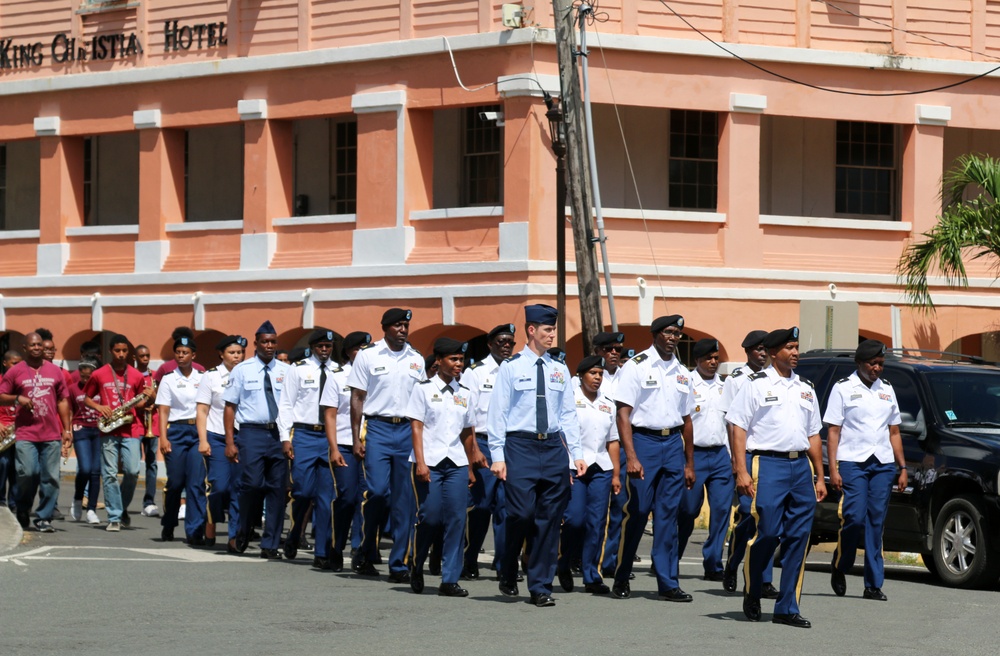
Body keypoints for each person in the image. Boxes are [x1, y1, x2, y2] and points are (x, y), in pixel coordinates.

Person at [727, 326, 826, 628]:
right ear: (772, 353)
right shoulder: (755, 385)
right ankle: (753, 586)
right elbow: (737, 427)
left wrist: (820, 476)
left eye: (797, 347)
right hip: (768, 465)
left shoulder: (806, 387)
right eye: (789, 348)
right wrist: (741, 470)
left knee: (799, 538)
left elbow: (814, 435)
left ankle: (787, 607)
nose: (795, 353)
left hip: (800, 468)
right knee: (768, 532)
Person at [488, 304, 585, 607]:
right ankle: (508, 564)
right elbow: (498, 413)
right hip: (520, 447)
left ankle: (540, 585)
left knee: (548, 520)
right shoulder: (511, 367)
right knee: (520, 514)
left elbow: (568, 414)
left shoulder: (559, 368)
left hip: (553, 448)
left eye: (554, 330)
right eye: (547, 330)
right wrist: (497, 454)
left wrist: (576, 454)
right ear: (532, 331)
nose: (552, 335)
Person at [610, 315, 696, 602]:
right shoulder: (636, 367)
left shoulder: (683, 372)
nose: (673, 337)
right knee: (637, 511)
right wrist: (631, 457)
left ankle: (667, 581)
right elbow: (623, 414)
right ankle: (621, 574)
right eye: (669, 332)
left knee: (668, 516)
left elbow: (687, 420)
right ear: (656, 334)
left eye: (678, 334)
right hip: (643, 441)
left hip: (672, 442)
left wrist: (689, 463)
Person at [825, 339, 907, 602]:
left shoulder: (887, 389)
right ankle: (841, 563)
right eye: (872, 363)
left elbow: (894, 431)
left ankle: (873, 584)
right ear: (859, 363)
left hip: (882, 463)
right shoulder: (843, 388)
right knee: (854, 517)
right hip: (853, 462)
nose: (877, 368)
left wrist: (902, 467)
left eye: (881, 364)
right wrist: (834, 467)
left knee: (875, 522)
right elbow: (833, 431)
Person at [347, 308, 425, 581]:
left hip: (406, 430)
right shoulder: (368, 355)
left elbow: (422, 402)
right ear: (386, 328)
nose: (403, 330)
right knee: (378, 492)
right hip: (377, 428)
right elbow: (357, 397)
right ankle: (366, 547)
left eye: (406, 325)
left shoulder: (416, 358)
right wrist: (356, 438)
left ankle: (399, 563)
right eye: (398, 325)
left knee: (404, 500)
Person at [406, 337, 486, 597]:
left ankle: (449, 579)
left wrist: (471, 466)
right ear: (438, 361)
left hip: (456, 464)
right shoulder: (423, 389)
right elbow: (416, 427)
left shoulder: (465, 393)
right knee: (430, 517)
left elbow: (467, 432)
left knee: (456, 519)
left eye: (461, 360)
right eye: (453, 359)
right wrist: (420, 462)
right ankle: (416, 564)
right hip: (428, 462)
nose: (458, 364)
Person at [279, 328, 347, 569]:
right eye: (321, 347)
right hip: (304, 434)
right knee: (303, 491)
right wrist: (285, 438)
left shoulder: (340, 372)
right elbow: (286, 404)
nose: (325, 351)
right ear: (313, 347)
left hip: (329, 436)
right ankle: (296, 530)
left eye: (328, 347)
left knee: (326, 497)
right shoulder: (298, 370)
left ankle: (321, 551)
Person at [223, 321, 290, 559]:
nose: (270, 346)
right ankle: (245, 528)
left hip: (278, 434)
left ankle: (270, 544)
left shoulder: (285, 370)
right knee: (251, 485)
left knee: (277, 490)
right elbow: (230, 407)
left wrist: (288, 437)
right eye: (265, 341)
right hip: (251, 433)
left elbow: (291, 405)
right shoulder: (242, 369)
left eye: (273, 341)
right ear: (256, 343)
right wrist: (230, 442)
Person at [720, 329, 778, 597]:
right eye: (758, 349)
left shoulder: (776, 379)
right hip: (748, 456)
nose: (763, 353)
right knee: (747, 516)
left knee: (768, 520)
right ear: (748, 351)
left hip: (771, 459)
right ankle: (732, 564)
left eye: (766, 348)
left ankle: (763, 580)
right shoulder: (737, 379)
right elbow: (733, 422)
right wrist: (737, 461)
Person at [558, 355, 621, 595]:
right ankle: (563, 562)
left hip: (600, 469)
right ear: (580, 376)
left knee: (597, 523)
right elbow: (561, 436)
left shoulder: (607, 403)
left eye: (600, 374)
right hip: (574, 467)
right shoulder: (569, 402)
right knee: (574, 519)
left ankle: (592, 574)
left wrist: (615, 473)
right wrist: (564, 467)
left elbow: (612, 440)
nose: (597, 378)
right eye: (592, 374)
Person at [0, 332, 72, 531]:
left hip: (51, 434)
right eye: (32, 345)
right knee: (28, 473)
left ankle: (43, 517)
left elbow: (63, 400)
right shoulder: (15, 372)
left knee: (51, 478)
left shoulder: (55, 371)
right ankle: (23, 507)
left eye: (40, 344)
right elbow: (1, 395)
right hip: (26, 434)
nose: (37, 348)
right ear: (25, 348)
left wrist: (67, 429)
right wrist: (18, 399)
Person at [677, 338, 734, 582]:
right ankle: (670, 558)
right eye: (708, 359)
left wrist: (734, 459)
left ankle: (713, 563)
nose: (713, 362)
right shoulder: (687, 384)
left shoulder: (725, 386)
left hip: (720, 454)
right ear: (697, 361)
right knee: (687, 510)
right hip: (693, 455)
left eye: (716, 358)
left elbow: (732, 422)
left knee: (721, 510)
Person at [462, 323, 516, 581]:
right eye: (502, 341)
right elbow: (468, 414)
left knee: (507, 507)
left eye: (510, 342)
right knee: (481, 506)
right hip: (482, 442)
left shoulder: (517, 369)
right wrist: (472, 449)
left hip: (510, 444)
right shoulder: (475, 372)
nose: (506, 346)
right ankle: (469, 558)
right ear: (490, 344)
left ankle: (504, 563)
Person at [84, 334, 154, 532]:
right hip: (108, 428)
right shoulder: (99, 374)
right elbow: (87, 398)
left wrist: (149, 398)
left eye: (124, 351)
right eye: (117, 351)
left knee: (132, 471)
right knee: (109, 474)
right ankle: (114, 516)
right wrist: (99, 407)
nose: (121, 354)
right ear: (110, 351)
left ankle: (120, 507)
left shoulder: (137, 375)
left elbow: (140, 403)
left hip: (131, 428)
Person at [321, 331, 370, 571]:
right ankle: (336, 547)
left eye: (367, 348)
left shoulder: (377, 374)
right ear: (349, 352)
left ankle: (361, 551)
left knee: (367, 500)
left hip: (372, 444)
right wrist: (332, 448)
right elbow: (330, 415)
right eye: (358, 348)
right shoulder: (337, 376)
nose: (363, 353)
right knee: (347, 498)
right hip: (344, 445)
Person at [196, 335, 247, 550]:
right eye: (232, 353)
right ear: (221, 354)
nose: (237, 357)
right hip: (216, 437)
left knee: (239, 487)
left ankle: (234, 537)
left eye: (239, 353)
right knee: (219, 487)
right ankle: (211, 521)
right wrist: (202, 440)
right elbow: (202, 409)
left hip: (242, 436)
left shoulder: (247, 374)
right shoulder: (211, 377)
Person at [156, 336, 207, 544]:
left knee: (196, 483)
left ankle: (194, 531)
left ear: (193, 355)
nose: (181, 356)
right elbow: (163, 411)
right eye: (178, 352)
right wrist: (163, 438)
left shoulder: (203, 377)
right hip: (176, 431)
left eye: (185, 352)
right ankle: (169, 523)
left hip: (198, 431)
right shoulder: (168, 379)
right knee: (176, 482)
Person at [69, 358, 103, 524]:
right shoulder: (72, 389)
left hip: (99, 430)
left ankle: (91, 509)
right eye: (82, 375)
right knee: (85, 468)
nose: (84, 378)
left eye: (88, 377)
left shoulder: (101, 388)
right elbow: (68, 411)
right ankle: (77, 498)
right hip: (80, 429)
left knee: (96, 471)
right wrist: (67, 432)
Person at [134, 344, 161, 518]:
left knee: (152, 464)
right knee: (133, 465)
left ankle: (149, 502)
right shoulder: (132, 375)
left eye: (148, 355)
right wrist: (143, 404)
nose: (145, 358)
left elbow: (163, 397)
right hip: (136, 423)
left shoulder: (155, 376)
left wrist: (154, 401)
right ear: (135, 358)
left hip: (153, 423)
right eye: (142, 356)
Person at [0, 350, 23, 513]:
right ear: (5, 363)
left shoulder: (22, 383)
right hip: (2, 432)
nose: (18, 367)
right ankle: (1, 500)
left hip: (20, 431)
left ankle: (14, 502)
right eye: (14, 363)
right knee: (3, 464)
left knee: (18, 467)